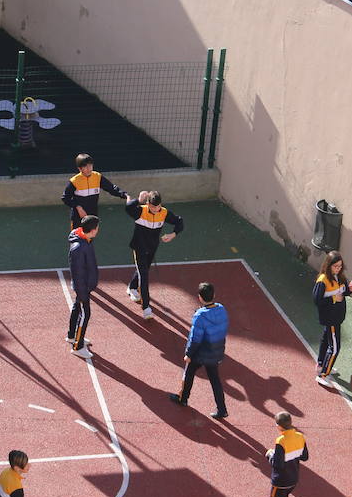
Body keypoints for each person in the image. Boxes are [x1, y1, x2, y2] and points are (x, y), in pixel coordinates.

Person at [169, 282, 229, 419]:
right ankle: (222, 409)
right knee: (215, 380)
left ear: (200, 297)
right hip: (216, 351)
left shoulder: (200, 316)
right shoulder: (221, 309)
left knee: (189, 373)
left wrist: (188, 354)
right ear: (213, 295)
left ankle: (183, 399)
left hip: (201, 353)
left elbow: (195, 338)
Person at [124, 190, 184, 319]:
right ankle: (146, 308)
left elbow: (179, 221)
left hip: (152, 248)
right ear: (147, 203)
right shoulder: (140, 211)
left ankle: (132, 287)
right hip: (139, 248)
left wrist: (173, 234)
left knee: (143, 271)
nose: (155, 209)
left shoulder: (164, 212)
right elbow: (128, 208)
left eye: (158, 206)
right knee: (144, 277)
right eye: (152, 206)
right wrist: (138, 200)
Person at [313, 251, 352, 389]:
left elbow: (343, 292)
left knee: (325, 340)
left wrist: (350, 289)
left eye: (340, 266)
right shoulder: (323, 280)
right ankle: (323, 375)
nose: (338, 269)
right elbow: (317, 300)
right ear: (328, 266)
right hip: (331, 318)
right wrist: (334, 298)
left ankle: (322, 364)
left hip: (337, 317)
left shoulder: (340, 277)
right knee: (334, 348)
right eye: (335, 266)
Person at [61, 153, 128, 229]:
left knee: (90, 239)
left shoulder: (98, 177)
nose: (89, 168)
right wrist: (78, 207)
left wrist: (125, 195)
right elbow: (65, 198)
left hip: (92, 217)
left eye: (90, 165)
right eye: (85, 166)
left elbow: (111, 188)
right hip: (78, 218)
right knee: (76, 239)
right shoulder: (74, 181)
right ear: (80, 169)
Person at [67, 215, 100, 359]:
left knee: (76, 308)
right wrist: (83, 291)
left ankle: (72, 336)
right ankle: (78, 346)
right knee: (85, 314)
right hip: (83, 288)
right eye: (97, 228)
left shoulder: (84, 239)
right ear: (92, 230)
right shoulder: (79, 248)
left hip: (84, 286)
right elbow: (78, 273)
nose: (98, 230)